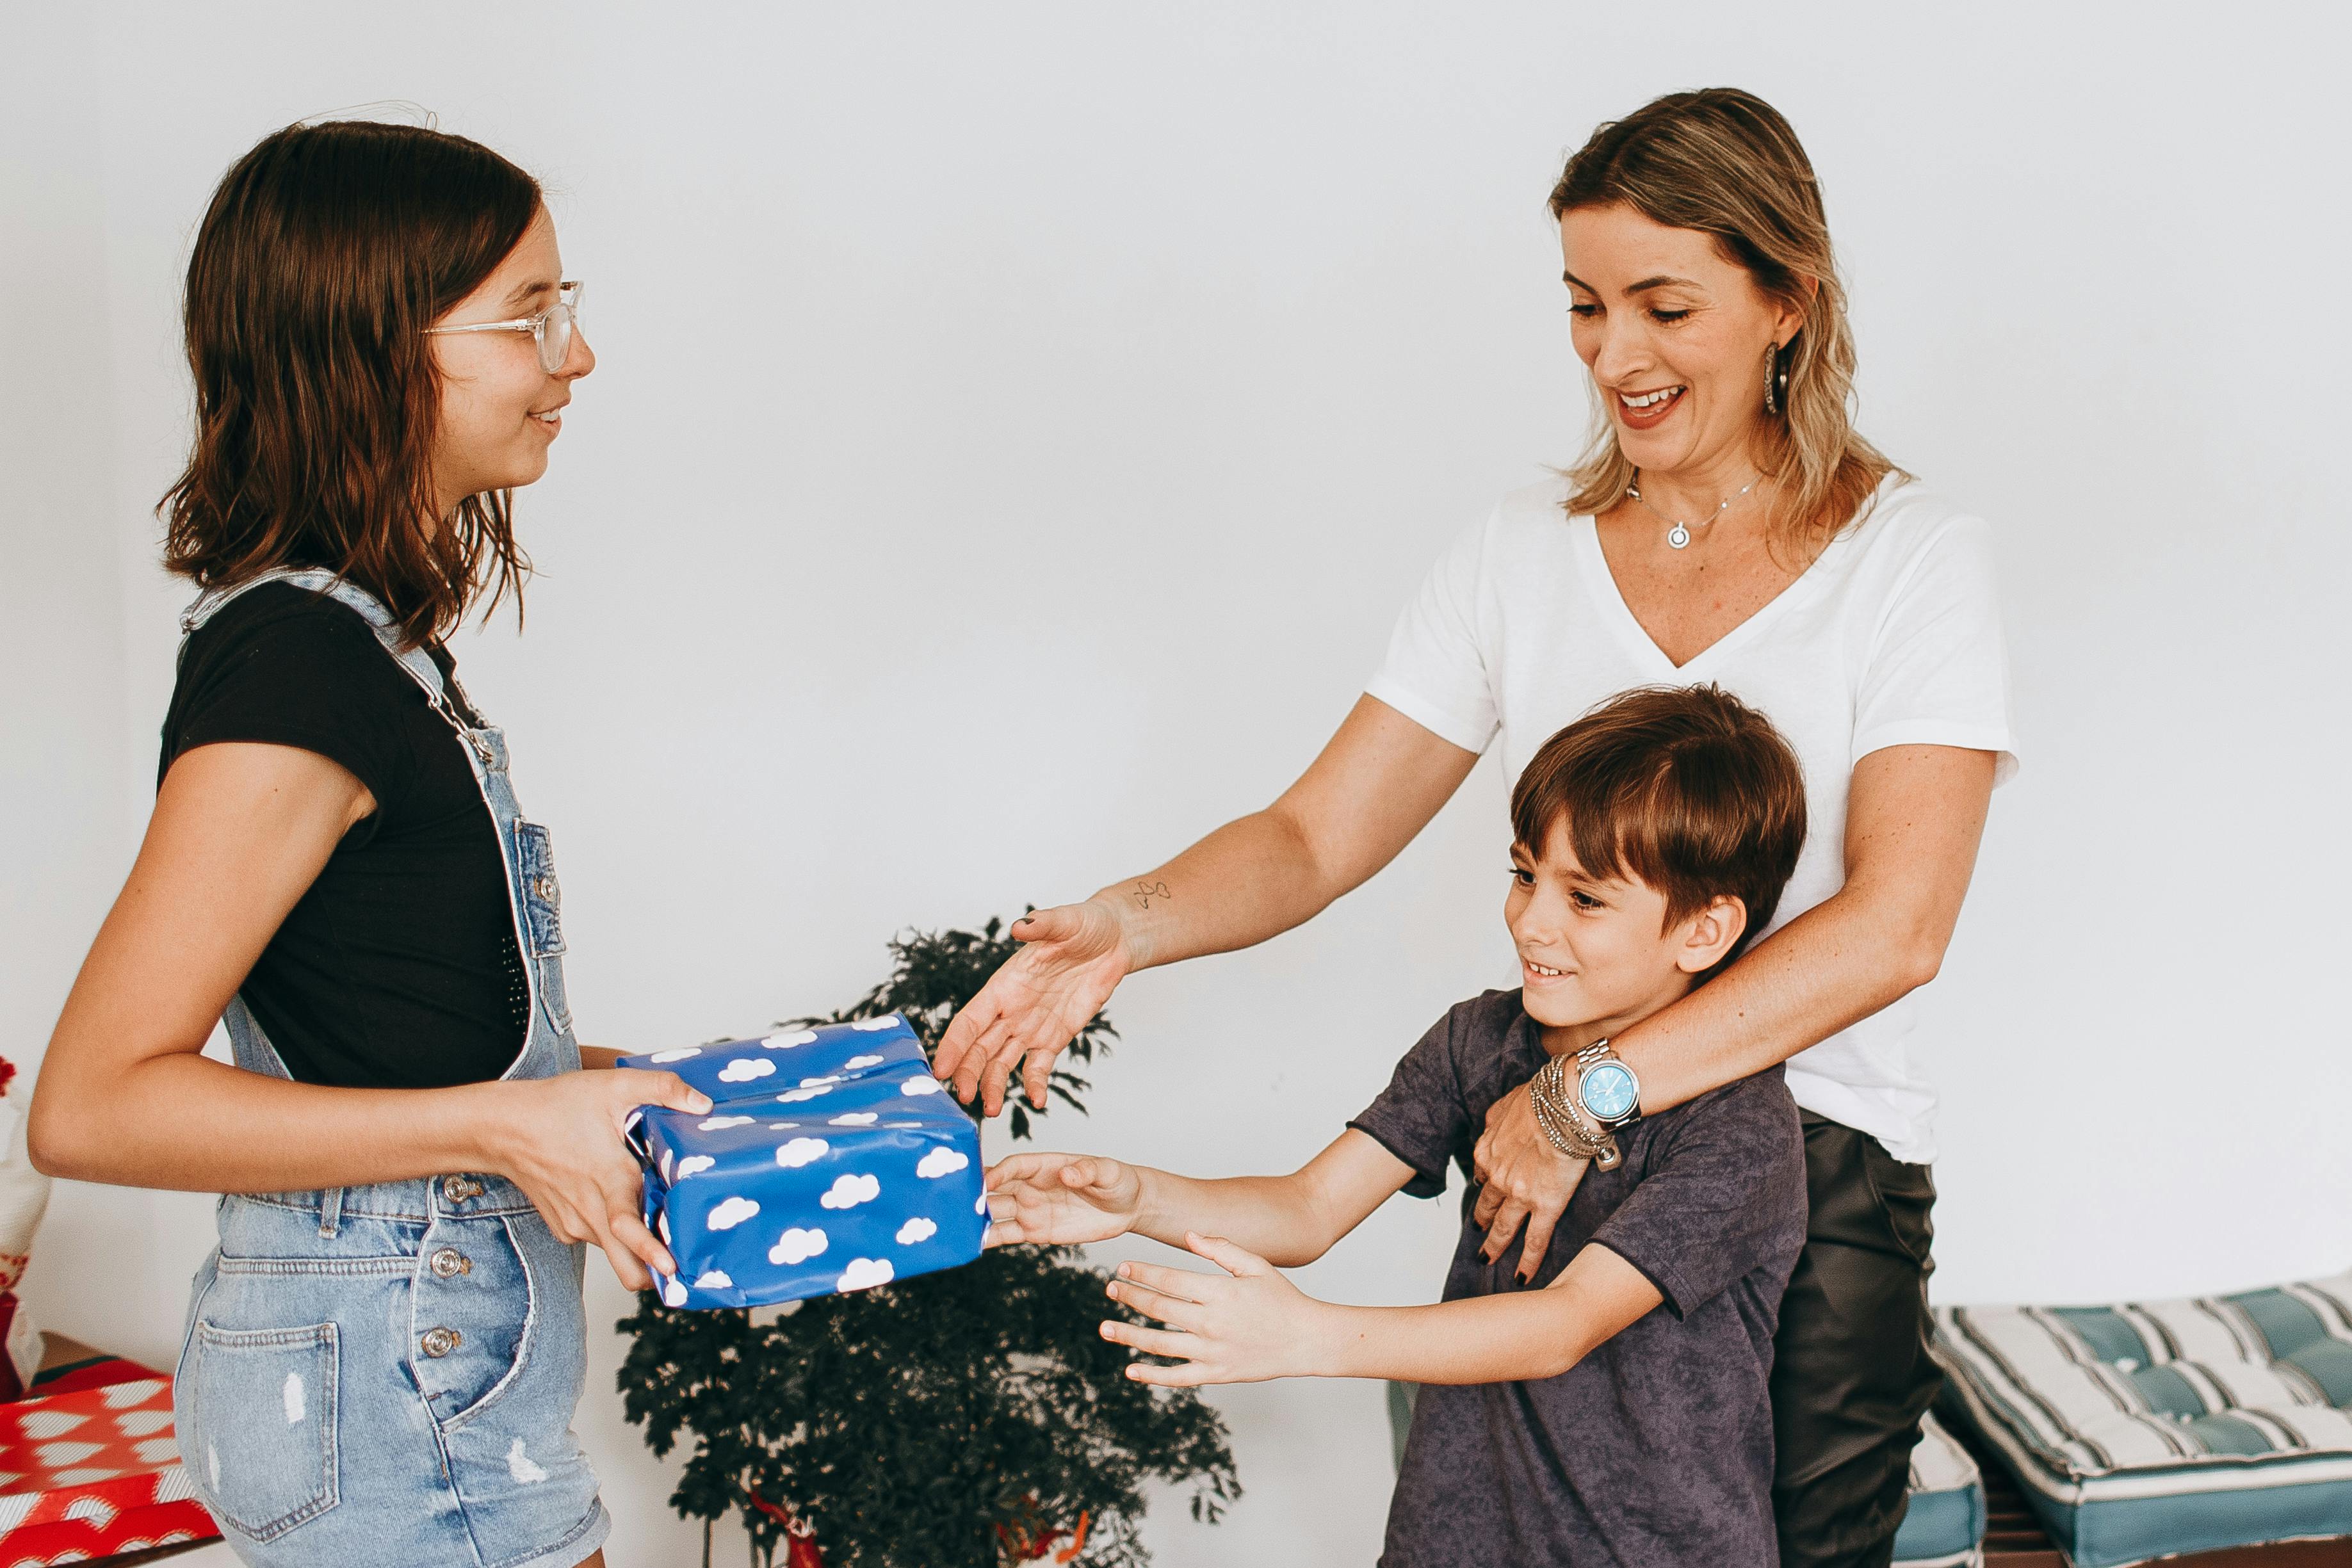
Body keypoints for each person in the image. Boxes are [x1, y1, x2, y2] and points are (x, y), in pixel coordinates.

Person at [937, 87, 2016, 1568]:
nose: (1614, 356)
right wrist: (1127, 923)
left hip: (1807, 1165)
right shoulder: (1521, 555)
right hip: (1539, 1136)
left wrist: (1589, 1098)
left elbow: (1897, 927)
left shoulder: (1912, 561)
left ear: (1788, 301)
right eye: (1584, 305)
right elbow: (1313, 836)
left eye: (1663, 307)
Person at [27, 120, 707, 1568]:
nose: (576, 357)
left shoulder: (366, 651)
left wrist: (628, 1085)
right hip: (401, 1402)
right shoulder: (299, 672)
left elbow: (394, 1029)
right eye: (529, 316)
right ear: (376, 348)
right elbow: (91, 1104)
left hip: (422, 1379)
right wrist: (504, 1127)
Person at [989, 687, 1811, 1567]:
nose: (1530, 921)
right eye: (1525, 875)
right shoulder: (1479, 1040)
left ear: (1704, 930)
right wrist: (1137, 1200)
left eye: (1584, 899)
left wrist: (1305, 1336)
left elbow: (1562, 1324)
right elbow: (1309, 1208)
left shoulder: (1740, 1126)